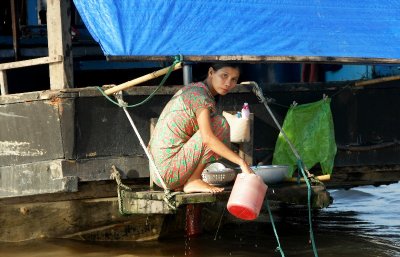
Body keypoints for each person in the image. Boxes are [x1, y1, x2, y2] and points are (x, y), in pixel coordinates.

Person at [148, 63, 254, 194]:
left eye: (233, 79)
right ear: (211, 72)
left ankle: (190, 180)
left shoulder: (195, 89)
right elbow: (207, 139)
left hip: (160, 173)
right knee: (220, 124)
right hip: (167, 173)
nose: (228, 83)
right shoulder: (200, 97)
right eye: (224, 76)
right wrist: (241, 162)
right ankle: (194, 180)